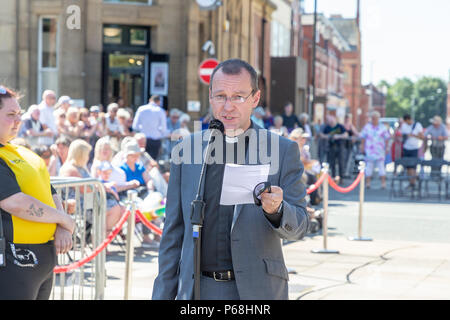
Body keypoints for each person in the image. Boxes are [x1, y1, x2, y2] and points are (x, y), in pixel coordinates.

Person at [152, 59, 309, 300]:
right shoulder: (186, 150)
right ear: (210, 97)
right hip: (197, 290)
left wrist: (277, 210)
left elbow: (299, 227)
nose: (228, 106)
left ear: (255, 99)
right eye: (221, 96)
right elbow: (172, 233)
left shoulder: (282, 150)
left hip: (256, 291)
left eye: (238, 97)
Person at [0, 85, 75, 300]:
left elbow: (49, 190)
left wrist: (63, 226)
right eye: (10, 114)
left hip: (42, 258)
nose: (18, 120)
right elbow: (14, 202)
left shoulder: (20, 151)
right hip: (13, 260)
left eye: (19, 114)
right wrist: (63, 219)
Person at [59, 139, 123, 234]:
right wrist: (104, 187)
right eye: (86, 154)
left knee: (119, 208)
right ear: (81, 154)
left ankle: (102, 240)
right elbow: (87, 189)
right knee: (115, 209)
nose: (88, 157)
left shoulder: (78, 167)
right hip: (81, 207)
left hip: (88, 203)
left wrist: (104, 187)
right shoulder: (71, 170)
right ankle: (102, 240)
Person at [359, 111, 391, 189]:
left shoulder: (382, 127)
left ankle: (383, 184)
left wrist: (387, 147)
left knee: (381, 167)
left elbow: (387, 138)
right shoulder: (367, 127)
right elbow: (363, 137)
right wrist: (362, 146)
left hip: (379, 150)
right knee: (369, 167)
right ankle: (368, 183)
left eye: (376, 118)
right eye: (373, 118)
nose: (374, 120)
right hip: (369, 150)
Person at [132, 95, 167, 160]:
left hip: (142, 139)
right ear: (159, 102)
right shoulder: (160, 111)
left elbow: (135, 126)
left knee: (141, 160)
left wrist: (143, 129)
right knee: (152, 161)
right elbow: (163, 128)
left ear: (150, 100)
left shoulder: (141, 109)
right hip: (155, 140)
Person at [320, 115, 348, 183]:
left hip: (339, 146)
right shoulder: (327, 127)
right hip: (331, 147)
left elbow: (346, 134)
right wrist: (328, 136)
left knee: (341, 163)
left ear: (335, 120)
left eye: (332, 121)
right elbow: (321, 135)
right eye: (330, 122)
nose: (331, 123)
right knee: (332, 163)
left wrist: (338, 136)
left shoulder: (340, 126)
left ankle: (341, 178)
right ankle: (333, 177)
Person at [400, 114, 424, 187]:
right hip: (406, 148)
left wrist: (413, 135)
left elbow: (422, 137)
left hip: (414, 148)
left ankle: (413, 182)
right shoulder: (404, 126)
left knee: (412, 166)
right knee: (408, 166)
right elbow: (402, 135)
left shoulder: (417, 125)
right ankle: (412, 181)